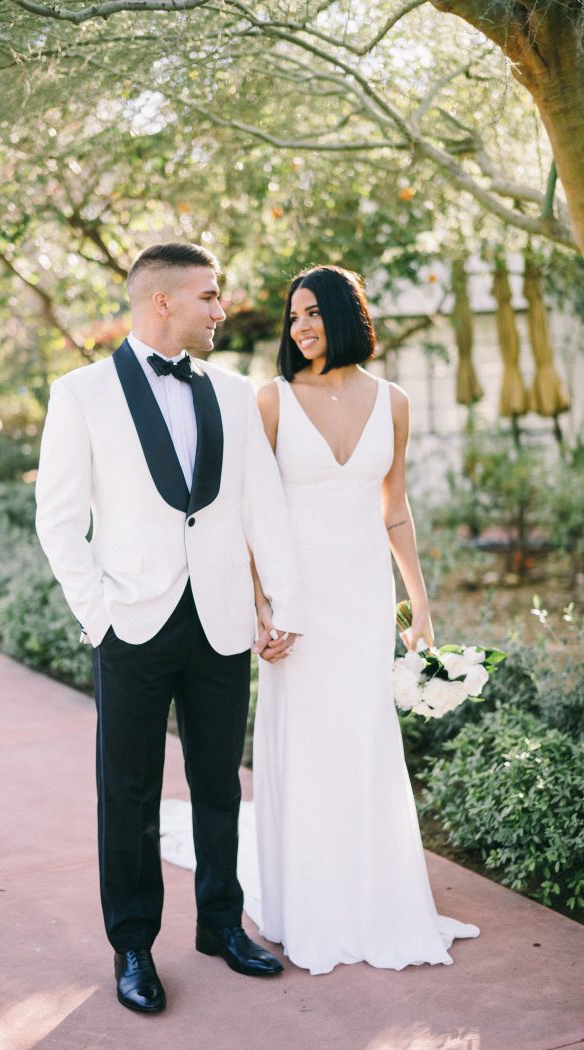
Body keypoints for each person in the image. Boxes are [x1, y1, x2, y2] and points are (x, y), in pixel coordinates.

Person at [35, 242, 304, 1014]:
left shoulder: (232, 392)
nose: (222, 310)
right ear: (163, 302)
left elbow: (262, 507)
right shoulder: (80, 393)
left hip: (221, 624)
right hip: (132, 624)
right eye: (210, 297)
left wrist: (280, 605)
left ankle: (222, 925)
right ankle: (132, 947)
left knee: (221, 786)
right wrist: (101, 618)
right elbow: (58, 521)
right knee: (128, 791)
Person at [252, 265, 479, 975]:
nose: (302, 327)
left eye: (314, 312)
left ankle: (378, 900)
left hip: (363, 601)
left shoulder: (395, 403)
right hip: (299, 606)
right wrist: (262, 609)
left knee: (368, 745)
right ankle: (309, 905)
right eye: (294, 317)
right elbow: (250, 518)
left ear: (348, 315)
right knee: (310, 750)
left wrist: (421, 608)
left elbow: (395, 510)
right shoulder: (272, 402)